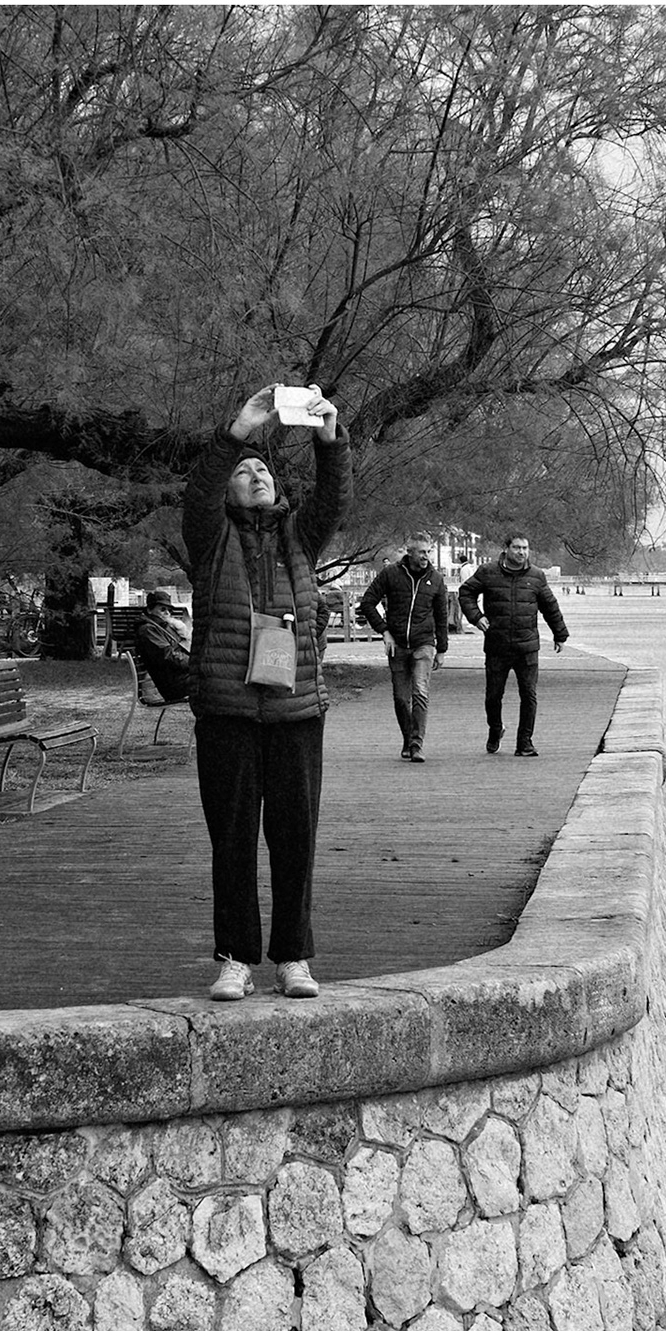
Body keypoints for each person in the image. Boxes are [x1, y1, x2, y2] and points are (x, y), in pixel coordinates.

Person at [181, 382, 351, 1002]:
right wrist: (238, 434)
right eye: (244, 472)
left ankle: (293, 958)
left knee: (294, 841)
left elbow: (334, 498)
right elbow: (199, 492)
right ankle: (235, 960)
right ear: (229, 490)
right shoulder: (211, 539)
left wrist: (329, 439)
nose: (255, 476)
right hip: (227, 710)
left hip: (295, 711)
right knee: (231, 843)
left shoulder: (298, 538)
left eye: (264, 471)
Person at [458, 533, 568, 755]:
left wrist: (560, 634)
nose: (521, 552)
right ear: (506, 549)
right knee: (493, 696)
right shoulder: (488, 572)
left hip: (527, 646)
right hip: (497, 645)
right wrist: (477, 617)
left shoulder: (536, 576)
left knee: (528, 695)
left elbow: (550, 606)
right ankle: (495, 729)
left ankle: (524, 742)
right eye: (517, 547)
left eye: (525, 548)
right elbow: (466, 592)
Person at [358, 537, 451, 763]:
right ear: (410, 553)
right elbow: (367, 602)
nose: (426, 557)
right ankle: (408, 738)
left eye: (428, 552)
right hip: (397, 644)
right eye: (421, 552)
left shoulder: (436, 579)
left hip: (423, 644)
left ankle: (417, 744)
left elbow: (441, 616)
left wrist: (442, 648)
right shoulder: (391, 574)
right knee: (401, 698)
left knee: (420, 692)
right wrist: (384, 631)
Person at [137, 590, 193, 703]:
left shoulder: (163, 627)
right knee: (216, 679)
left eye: (169, 610)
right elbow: (168, 656)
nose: (167, 613)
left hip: (181, 677)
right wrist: (195, 662)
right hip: (174, 685)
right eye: (162, 609)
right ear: (149, 610)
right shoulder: (148, 630)